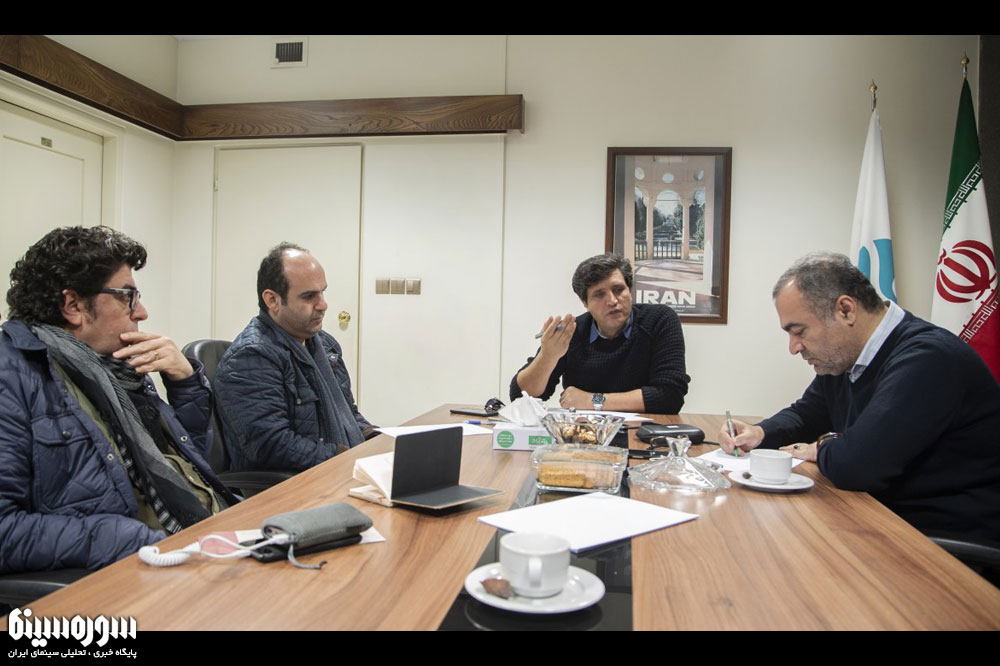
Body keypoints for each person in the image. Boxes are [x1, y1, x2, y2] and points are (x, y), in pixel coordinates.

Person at [0, 226, 236, 575]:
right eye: (128, 297)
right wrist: (131, 538)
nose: (142, 312)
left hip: (199, 535)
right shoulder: (12, 375)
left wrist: (185, 383)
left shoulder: (117, 368)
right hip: (136, 567)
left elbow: (188, 462)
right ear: (73, 306)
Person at [720, 252, 1000, 541]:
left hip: (943, 542)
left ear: (845, 310)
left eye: (799, 332)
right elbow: (808, 413)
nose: (793, 348)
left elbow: (857, 465)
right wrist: (760, 433)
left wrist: (820, 447)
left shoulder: (928, 358)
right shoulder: (844, 359)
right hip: (879, 519)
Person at [214, 243, 376, 473]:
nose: (323, 305)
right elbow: (272, 445)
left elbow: (347, 414)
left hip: (335, 468)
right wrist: (344, 458)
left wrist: (374, 439)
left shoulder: (325, 345)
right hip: (297, 483)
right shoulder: (250, 357)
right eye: (309, 296)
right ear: (272, 300)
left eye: (322, 292)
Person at [510, 253, 689, 413]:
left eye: (618, 290)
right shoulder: (573, 332)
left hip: (642, 433)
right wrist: (547, 357)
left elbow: (670, 395)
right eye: (599, 294)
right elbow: (521, 397)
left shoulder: (659, 320)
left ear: (630, 290)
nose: (612, 301)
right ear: (585, 303)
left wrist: (593, 400)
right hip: (583, 434)